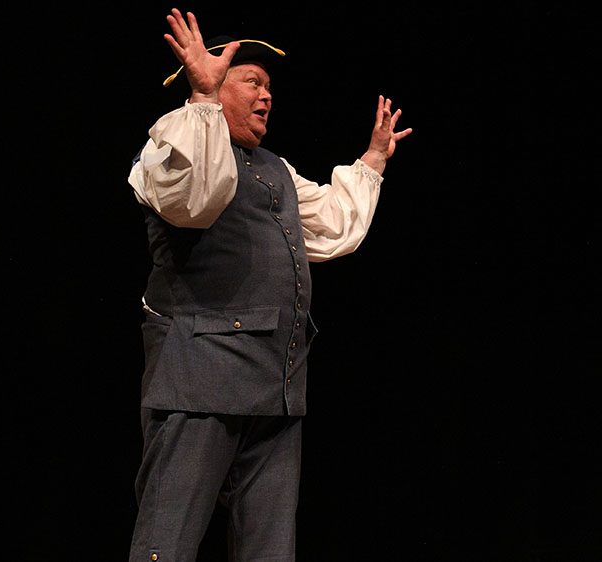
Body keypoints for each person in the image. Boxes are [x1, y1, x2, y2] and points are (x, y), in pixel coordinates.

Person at [126, 8, 412, 561]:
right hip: (199, 381)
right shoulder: (170, 151)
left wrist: (373, 159)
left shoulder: (274, 168)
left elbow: (331, 226)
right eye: (252, 81)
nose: (266, 96)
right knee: (169, 542)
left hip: (275, 391)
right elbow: (198, 201)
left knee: (269, 551)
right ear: (208, 81)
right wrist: (203, 102)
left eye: (270, 86)